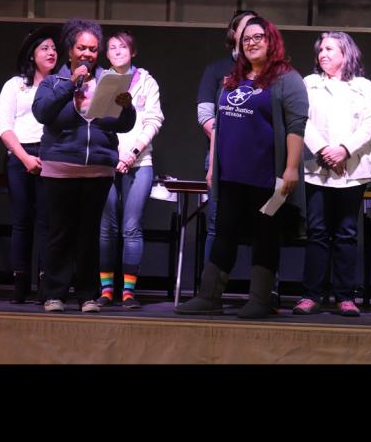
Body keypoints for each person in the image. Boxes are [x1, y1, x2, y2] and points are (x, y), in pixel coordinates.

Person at [175, 16, 308, 319]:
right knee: (224, 233)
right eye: (246, 39)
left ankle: (260, 299)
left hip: (267, 177)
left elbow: (296, 127)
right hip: (231, 175)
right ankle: (209, 296)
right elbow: (219, 125)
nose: (251, 43)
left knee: (265, 235)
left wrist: (290, 169)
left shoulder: (287, 79)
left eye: (258, 37)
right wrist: (213, 167)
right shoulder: (233, 78)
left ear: (271, 40)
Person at [32, 18, 136, 313]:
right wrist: (71, 84)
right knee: (60, 232)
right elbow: (43, 113)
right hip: (61, 166)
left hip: (98, 169)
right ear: (70, 50)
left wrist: (127, 107)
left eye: (92, 49)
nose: (87, 54)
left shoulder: (108, 82)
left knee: (89, 233)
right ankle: (54, 294)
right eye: (81, 48)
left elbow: (123, 126)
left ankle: (88, 295)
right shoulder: (54, 81)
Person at [293, 32, 371, 317]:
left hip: (353, 170)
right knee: (317, 231)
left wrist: (344, 150)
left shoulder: (364, 86)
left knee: (346, 233)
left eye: (329, 49)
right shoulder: (309, 83)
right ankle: (311, 295)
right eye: (320, 50)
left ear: (346, 53)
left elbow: (370, 124)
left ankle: (345, 297)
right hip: (318, 169)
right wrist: (325, 152)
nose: (323, 54)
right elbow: (302, 120)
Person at [97, 30, 164, 309]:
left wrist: (133, 153)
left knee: (131, 228)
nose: (117, 51)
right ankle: (106, 291)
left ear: (133, 51)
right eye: (112, 47)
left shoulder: (147, 81)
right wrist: (113, 156)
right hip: (106, 163)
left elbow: (153, 120)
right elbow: (95, 121)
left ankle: (128, 293)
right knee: (106, 228)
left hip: (139, 162)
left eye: (122, 47)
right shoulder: (101, 80)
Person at [0, 25, 60, 303]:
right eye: (44, 48)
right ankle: (20, 281)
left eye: (54, 48)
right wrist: (24, 157)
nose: (51, 52)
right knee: (21, 221)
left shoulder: (60, 84)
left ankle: (46, 283)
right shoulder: (15, 85)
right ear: (32, 54)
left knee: (47, 223)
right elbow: (4, 127)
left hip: (51, 156)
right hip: (19, 156)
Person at [197, 10, 258, 261]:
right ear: (234, 34)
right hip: (221, 156)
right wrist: (228, 137)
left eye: (257, 29)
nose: (251, 34)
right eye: (246, 28)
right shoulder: (217, 70)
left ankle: (264, 284)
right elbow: (204, 114)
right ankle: (212, 283)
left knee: (262, 226)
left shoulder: (267, 71)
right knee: (218, 225)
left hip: (258, 159)